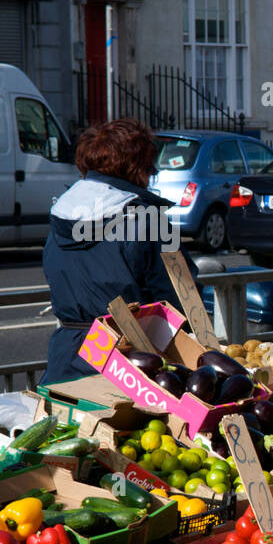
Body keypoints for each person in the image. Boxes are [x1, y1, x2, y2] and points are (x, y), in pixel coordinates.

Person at [41, 118, 183, 385]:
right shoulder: (149, 219)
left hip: (64, 363)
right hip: (129, 368)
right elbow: (179, 302)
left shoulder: (59, 212)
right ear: (138, 167)